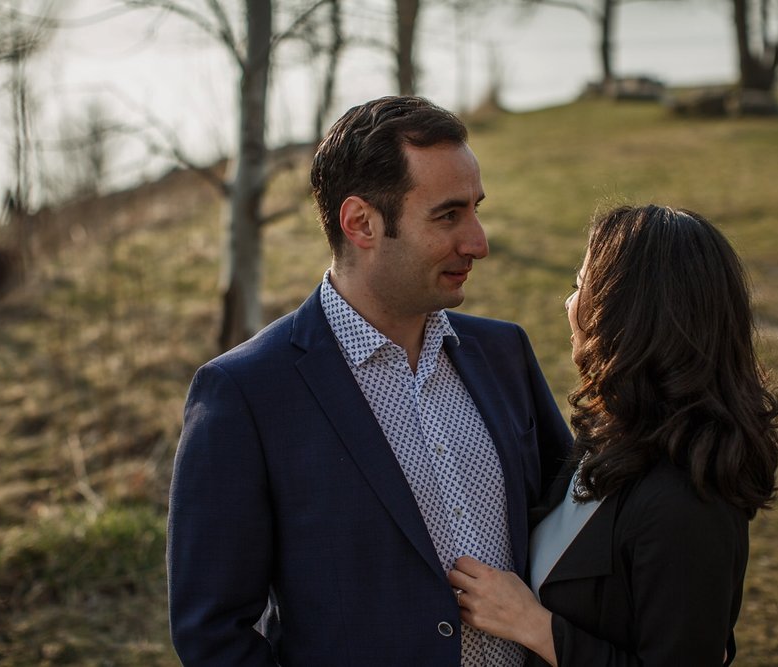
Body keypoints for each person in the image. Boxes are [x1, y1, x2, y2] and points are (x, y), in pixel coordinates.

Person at [166, 96, 573, 666]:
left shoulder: (504, 352)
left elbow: (572, 533)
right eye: (448, 215)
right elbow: (213, 632)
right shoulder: (246, 394)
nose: (478, 241)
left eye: (476, 209)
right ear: (360, 222)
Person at [448, 204, 778, 666]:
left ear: (624, 317)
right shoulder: (612, 437)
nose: (569, 305)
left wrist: (532, 625)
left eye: (580, 287)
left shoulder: (688, 505)